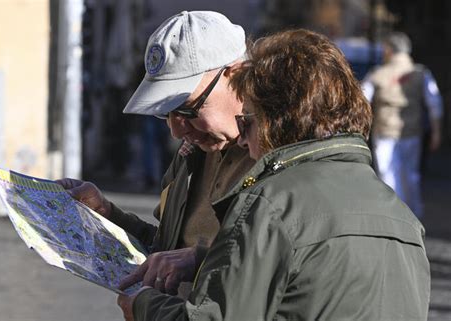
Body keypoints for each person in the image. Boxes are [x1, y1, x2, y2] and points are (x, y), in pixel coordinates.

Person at [117, 29, 430, 321]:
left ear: (279, 120)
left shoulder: (271, 202)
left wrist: (144, 305)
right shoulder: (403, 217)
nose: (242, 137)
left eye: (249, 121)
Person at [58, 11, 254, 296]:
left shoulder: (280, 161)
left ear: (235, 76)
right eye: (165, 112)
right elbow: (167, 250)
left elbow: (286, 269)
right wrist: (106, 214)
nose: (176, 130)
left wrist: (200, 260)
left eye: (188, 108)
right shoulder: (192, 154)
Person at [362, 31, 444, 218]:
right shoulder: (421, 74)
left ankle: (392, 216)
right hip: (412, 132)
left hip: (384, 131)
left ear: (389, 50)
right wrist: (436, 131)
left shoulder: (378, 74)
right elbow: (434, 103)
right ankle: (413, 216)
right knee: (411, 176)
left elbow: (362, 100)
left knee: (387, 176)